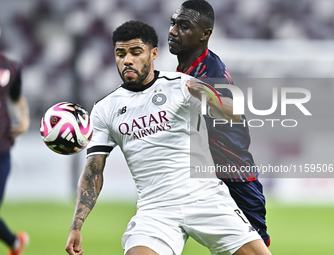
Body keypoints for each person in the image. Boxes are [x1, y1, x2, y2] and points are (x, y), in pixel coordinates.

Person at [65, 20, 271, 255]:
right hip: (156, 210)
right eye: (120, 54)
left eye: (135, 52)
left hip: (206, 199)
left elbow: (233, 113)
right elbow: (93, 171)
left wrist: (206, 94)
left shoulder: (181, 85)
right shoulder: (104, 109)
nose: (127, 60)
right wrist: (76, 226)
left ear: (153, 53)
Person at [168, 0, 270, 246]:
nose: (173, 31)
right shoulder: (185, 68)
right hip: (205, 175)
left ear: (205, 34)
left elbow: (233, 110)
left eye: (183, 26)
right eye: (173, 23)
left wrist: (196, 89)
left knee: (255, 247)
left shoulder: (210, 71)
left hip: (235, 176)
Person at [0, 27, 30, 255]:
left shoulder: (9, 67)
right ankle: (14, 243)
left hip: (2, 151)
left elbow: (16, 98)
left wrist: (24, 120)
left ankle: (14, 243)